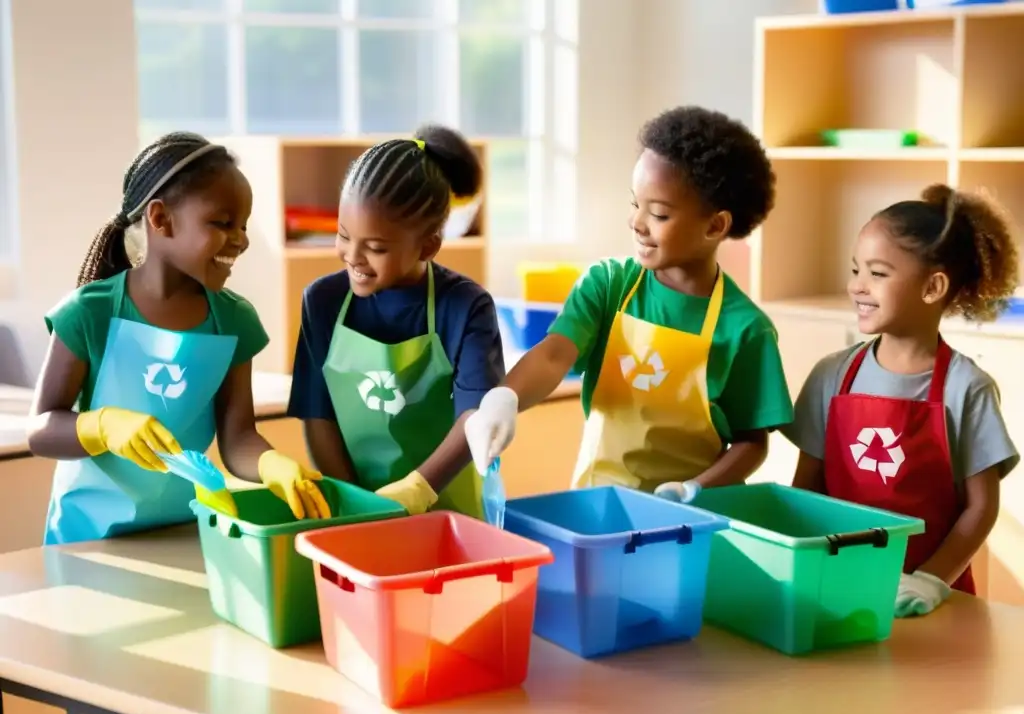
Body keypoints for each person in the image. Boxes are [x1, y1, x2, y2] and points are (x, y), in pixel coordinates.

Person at [27, 131, 328, 714]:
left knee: (195, 691)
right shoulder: (90, 313)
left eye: (244, 224)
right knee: (99, 684)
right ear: (160, 219)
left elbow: (238, 436)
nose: (241, 240)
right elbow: (42, 429)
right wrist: (100, 426)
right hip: (92, 541)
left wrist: (271, 464)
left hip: (188, 535)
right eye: (223, 222)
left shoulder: (233, 320)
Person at [465, 106, 793, 499]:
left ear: (715, 225)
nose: (637, 222)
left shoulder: (745, 329)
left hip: (690, 518)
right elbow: (554, 355)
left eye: (659, 213)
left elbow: (751, 441)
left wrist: (693, 490)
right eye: (635, 204)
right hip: (597, 502)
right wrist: (506, 396)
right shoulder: (609, 286)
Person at [783, 184, 1020, 618]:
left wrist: (931, 581)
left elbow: (982, 505)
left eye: (877, 273)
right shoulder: (831, 376)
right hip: (839, 584)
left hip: (931, 596)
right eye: (856, 270)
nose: (857, 286)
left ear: (933, 286)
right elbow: (808, 488)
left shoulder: (967, 388)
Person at [287, 124, 503, 518]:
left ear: (428, 245)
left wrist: (417, 489)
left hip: (447, 513)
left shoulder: (466, 307)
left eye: (375, 247)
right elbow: (317, 414)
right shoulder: (322, 302)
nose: (353, 256)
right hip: (351, 512)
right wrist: (355, 505)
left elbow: (476, 416)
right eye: (342, 235)